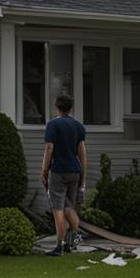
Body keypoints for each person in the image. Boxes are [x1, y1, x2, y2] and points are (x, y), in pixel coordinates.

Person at [40, 93, 86, 256]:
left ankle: (59, 246)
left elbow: (49, 148)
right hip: (75, 172)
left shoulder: (53, 124)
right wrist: (83, 177)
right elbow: (82, 153)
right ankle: (72, 239)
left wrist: (44, 170)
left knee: (57, 209)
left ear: (57, 107)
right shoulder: (79, 126)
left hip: (59, 171)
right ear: (71, 108)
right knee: (68, 207)